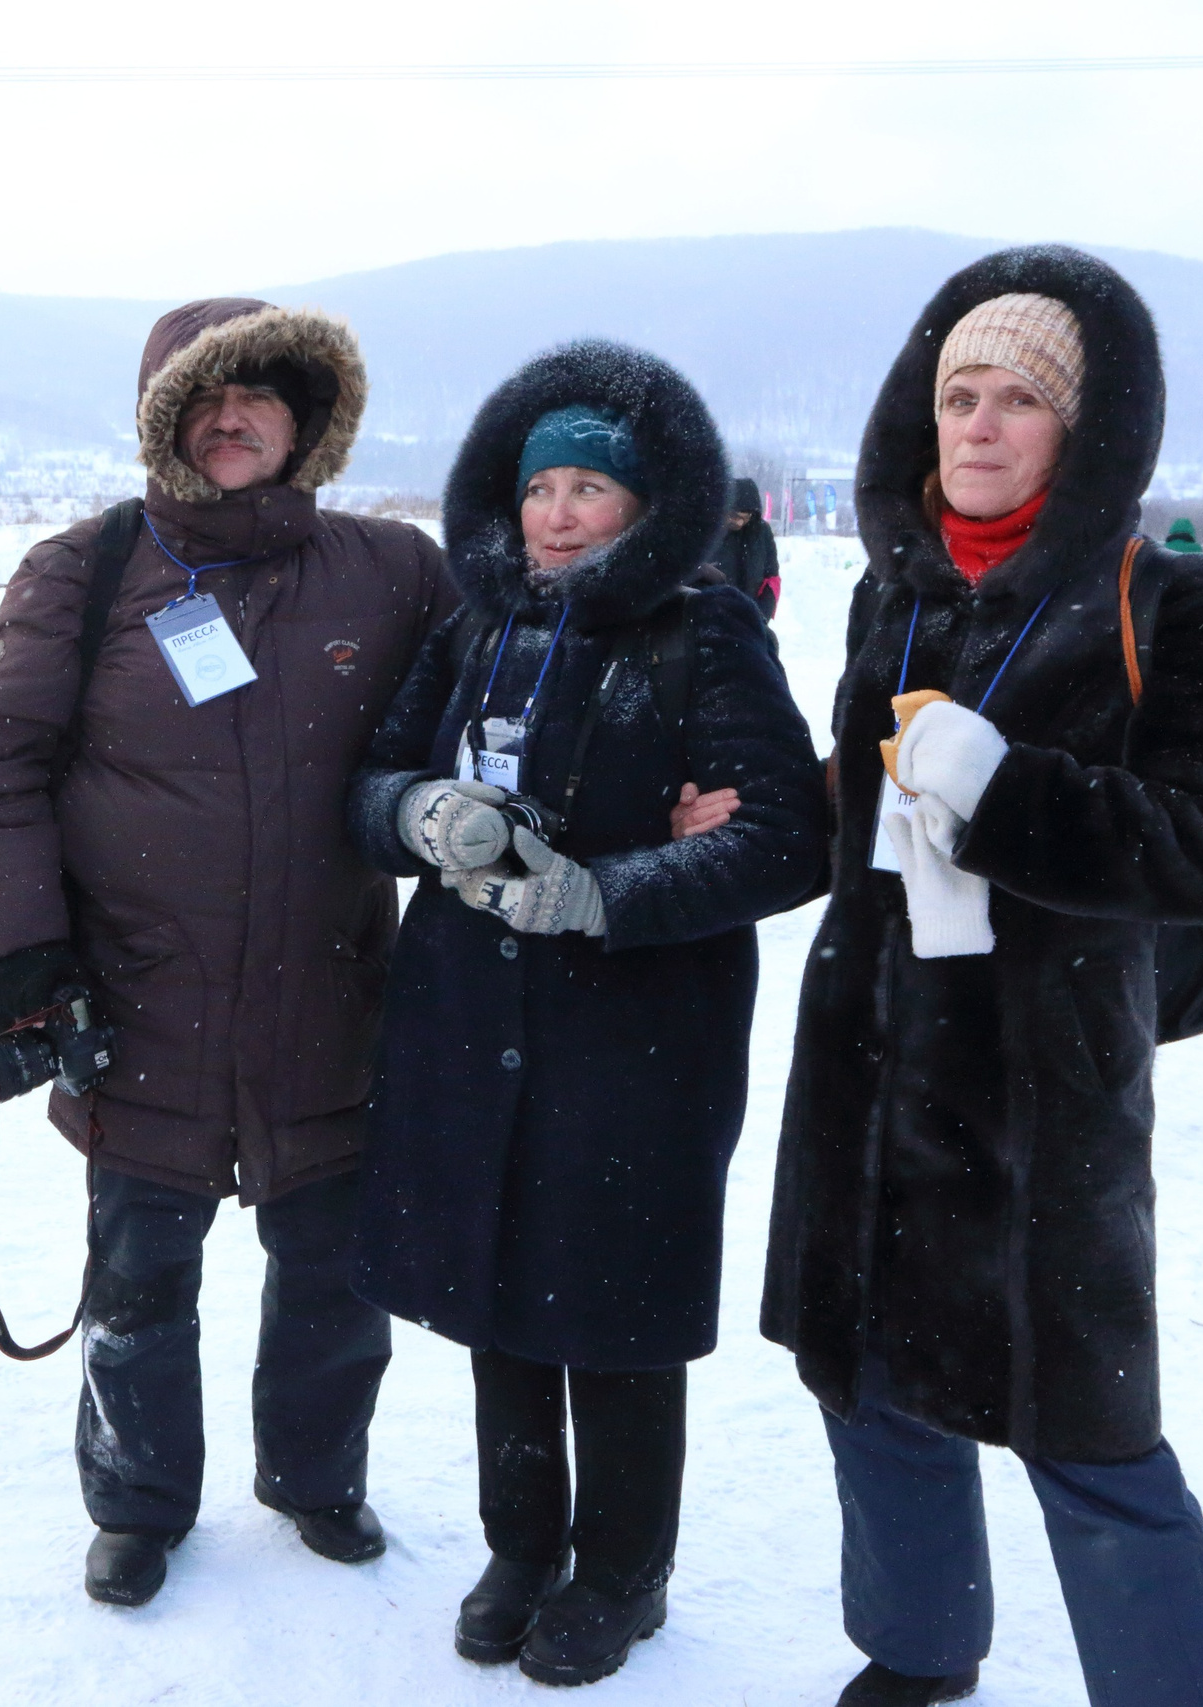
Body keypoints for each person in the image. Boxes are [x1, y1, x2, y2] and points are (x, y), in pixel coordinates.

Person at [761, 250, 1203, 1707]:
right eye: (959, 397)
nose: (981, 428)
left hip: (1042, 1101)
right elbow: (864, 810)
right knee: (869, 1384)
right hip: (864, 1066)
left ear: (1085, 425)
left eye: (1020, 403)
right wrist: (750, 820)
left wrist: (1017, 795)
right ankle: (919, 1644)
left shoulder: (1163, 600)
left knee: (1093, 1438)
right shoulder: (896, 590)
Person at [0, 297, 454, 1608]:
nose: (234, 419)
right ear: (165, 421)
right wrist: (26, 955)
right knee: (137, 1281)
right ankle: (139, 1498)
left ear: (310, 419)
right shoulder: (89, 566)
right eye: (204, 399)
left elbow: (503, 694)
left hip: (333, 1000)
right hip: (136, 1007)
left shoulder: (391, 571)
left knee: (336, 1279)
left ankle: (316, 1475)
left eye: (263, 397)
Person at [346, 344, 826, 1685]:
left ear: (646, 502)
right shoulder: (473, 623)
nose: (558, 511)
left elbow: (784, 837)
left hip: (637, 1042)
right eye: (540, 484)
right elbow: (370, 778)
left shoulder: (704, 627)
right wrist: (414, 810)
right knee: (500, 1296)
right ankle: (522, 1543)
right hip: (465, 1023)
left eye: (588, 488)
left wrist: (601, 895)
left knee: (610, 1312)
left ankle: (623, 1568)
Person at [703, 474, 783, 616]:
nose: (739, 522)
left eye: (746, 518)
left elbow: (771, 578)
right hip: (711, 614)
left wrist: (761, 614)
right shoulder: (708, 529)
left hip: (752, 613)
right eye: (734, 516)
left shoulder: (762, 532)